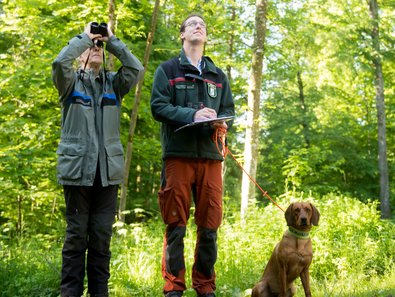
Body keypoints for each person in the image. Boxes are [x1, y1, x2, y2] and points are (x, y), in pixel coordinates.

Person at [52, 22, 144, 297]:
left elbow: (137, 70)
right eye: (89, 47)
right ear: (80, 53)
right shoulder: (69, 83)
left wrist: (112, 40)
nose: (94, 49)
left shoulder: (114, 85)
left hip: (107, 174)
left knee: (102, 237)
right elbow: (59, 63)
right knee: (77, 236)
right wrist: (84, 38)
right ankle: (70, 292)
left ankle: (99, 292)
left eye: (98, 47)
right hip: (77, 171)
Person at [150, 13, 235, 297]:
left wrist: (221, 121)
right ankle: (174, 286)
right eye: (192, 24)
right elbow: (158, 107)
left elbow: (229, 111)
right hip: (178, 156)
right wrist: (192, 114)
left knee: (210, 225)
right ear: (183, 35)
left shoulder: (218, 76)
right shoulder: (167, 70)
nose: (199, 26)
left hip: (211, 158)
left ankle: (205, 286)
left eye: (203, 25)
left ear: (205, 36)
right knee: (176, 223)